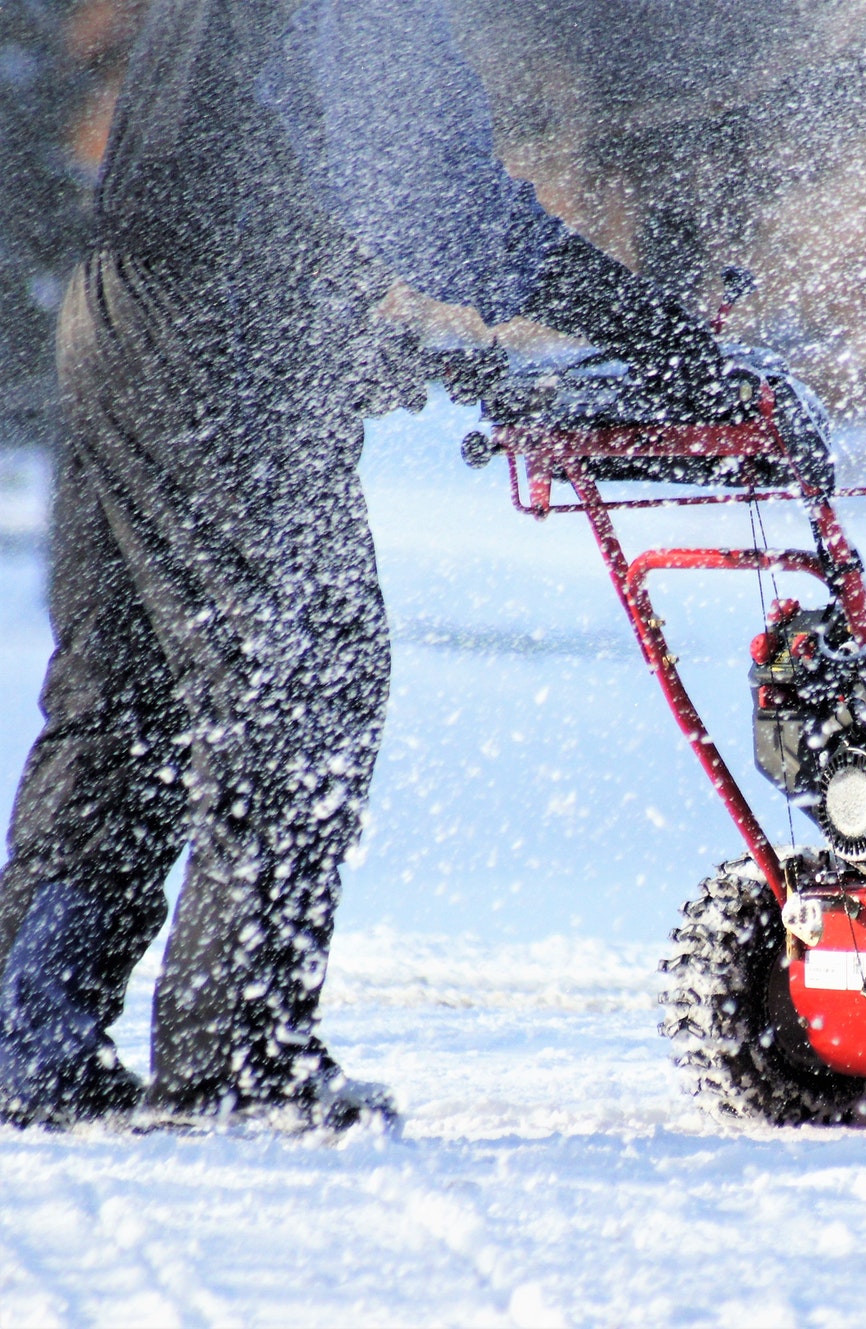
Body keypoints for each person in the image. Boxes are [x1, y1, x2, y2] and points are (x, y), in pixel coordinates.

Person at [0, 0, 728, 1130]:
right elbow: (435, 209)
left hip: (121, 310)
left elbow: (271, 164)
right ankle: (238, 1054)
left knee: (124, 702)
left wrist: (344, 330)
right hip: (213, 335)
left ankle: (23, 1032)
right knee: (302, 685)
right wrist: (645, 325)